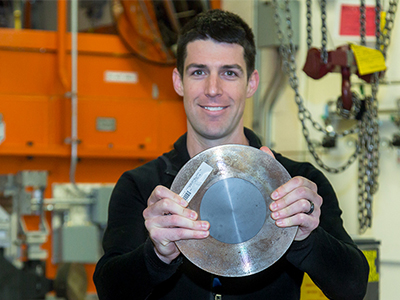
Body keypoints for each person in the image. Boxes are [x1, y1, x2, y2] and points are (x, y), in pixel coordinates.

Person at [93, 9, 369, 300]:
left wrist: (307, 238)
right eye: (199, 72)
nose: (213, 89)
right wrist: (157, 254)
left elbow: (352, 288)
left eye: (229, 73)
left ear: (251, 82)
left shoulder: (296, 184)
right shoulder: (143, 186)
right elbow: (110, 291)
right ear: (178, 81)